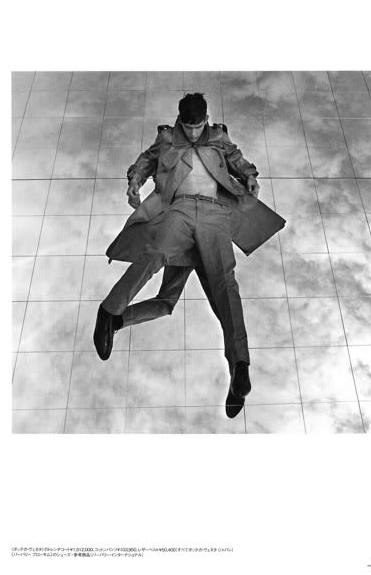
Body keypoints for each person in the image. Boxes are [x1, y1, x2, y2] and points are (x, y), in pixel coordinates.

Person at [94, 92, 286, 418]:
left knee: (222, 290)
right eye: (189, 127)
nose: (194, 133)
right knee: (154, 255)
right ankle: (109, 311)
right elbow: (145, 161)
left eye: (199, 127)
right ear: (180, 120)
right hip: (180, 211)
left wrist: (251, 177)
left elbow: (237, 159)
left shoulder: (219, 137)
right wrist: (134, 183)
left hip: (214, 215)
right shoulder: (167, 138)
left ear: (206, 120)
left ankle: (239, 368)